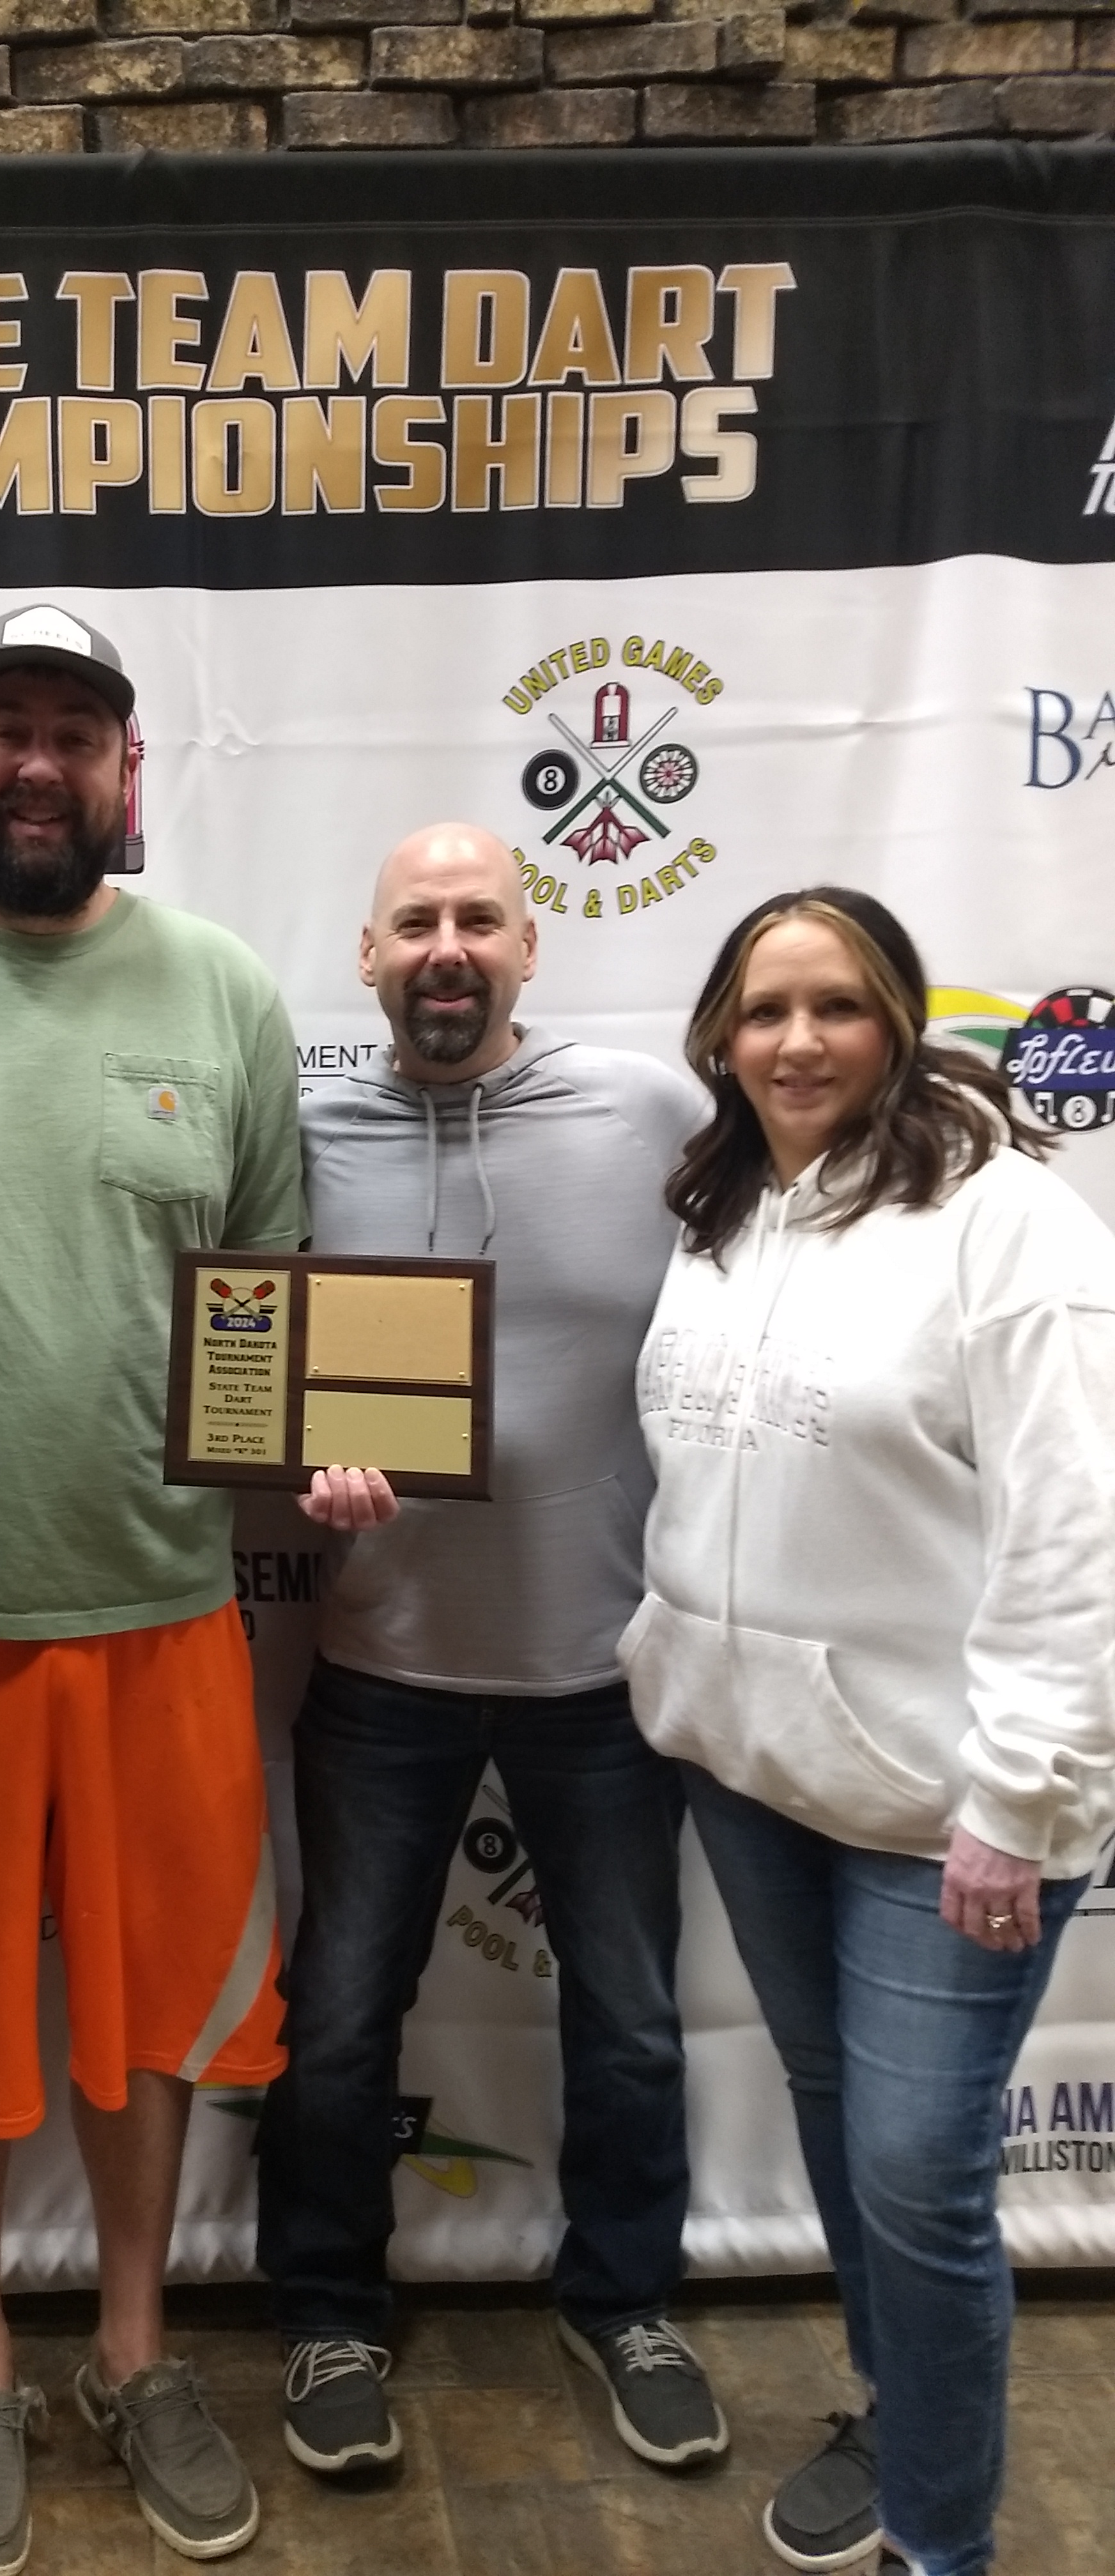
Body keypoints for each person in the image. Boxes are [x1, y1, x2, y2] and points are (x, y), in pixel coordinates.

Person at [0, 604, 302, 2576]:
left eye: (75, 733)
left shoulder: (225, 989)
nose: (38, 761)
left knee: (155, 2012)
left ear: (126, 772)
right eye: (2, 725)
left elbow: (269, 1305)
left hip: (167, 1608)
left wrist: (330, 1452)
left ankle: (135, 2348)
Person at [624, 886, 1115, 2576]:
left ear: (899, 1021)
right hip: (755, 1769)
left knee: (916, 2174)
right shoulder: (722, 1207)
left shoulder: (1007, 1220)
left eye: (836, 1006)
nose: (798, 1042)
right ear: (719, 1035)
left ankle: (938, 2541)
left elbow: (1077, 1532)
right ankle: (898, 2409)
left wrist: (1020, 1798)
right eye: (764, 1011)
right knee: (838, 2117)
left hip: (949, 1804)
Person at [254, 823, 727, 2480]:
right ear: (369, 958)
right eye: (414, 924)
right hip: (380, 1669)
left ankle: (627, 2300)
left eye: (478, 918)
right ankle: (326, 2312)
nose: (445, 947)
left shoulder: (655, 1113)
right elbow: (245, 1369)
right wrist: (296, 1469)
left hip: (609, 1674)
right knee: (336, 2020)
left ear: (530, 946)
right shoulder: (303, 1136)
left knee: (633, 2021)